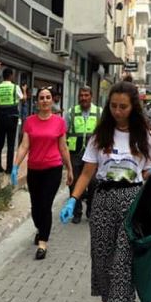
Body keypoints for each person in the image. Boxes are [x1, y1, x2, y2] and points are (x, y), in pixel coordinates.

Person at [59, 82, 151, 302]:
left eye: (123, 106)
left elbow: (146, 172)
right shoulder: (100, 135)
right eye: (113, 106)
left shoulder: (144, 136)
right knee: (101, 254)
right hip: (102, 200)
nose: (118, 111)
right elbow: (88, 172)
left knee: (123, 261)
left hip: (132, 202)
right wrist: (73, 198)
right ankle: (106, 295)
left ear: (133, 107)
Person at [11, 87, 73, 259]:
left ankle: (43, 243)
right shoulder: (29, 121)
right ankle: (40, 228)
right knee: (36, 207)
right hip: (34, 170)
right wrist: (16, 165)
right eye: (41, 98)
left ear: (52, 100)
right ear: (37, 102)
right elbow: (24, 145)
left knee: (45, 205)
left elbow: (63, 146)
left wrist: (69, 168)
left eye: (48, 97)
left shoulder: (59, 122)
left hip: (53, 169)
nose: (45, 100)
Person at [65, 86, 102, 223]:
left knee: (93, 183)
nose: (83, 98)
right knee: (74, 183)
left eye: (86, 95)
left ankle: (91, 210)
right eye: (81, 95)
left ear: (91, 96)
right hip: (75, 153)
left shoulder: (99, 112)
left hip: (93, 154)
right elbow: (64, 133)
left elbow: (105, 133)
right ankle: (76, 212)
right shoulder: (71, 112)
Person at [0, 67, 24, 173]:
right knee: (11, 144)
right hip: (12, 117)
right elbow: (23, 98)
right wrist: (25, 91)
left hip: (1, 117)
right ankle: (9, 169)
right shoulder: (15, 87)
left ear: (3, 76)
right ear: (11, 76)